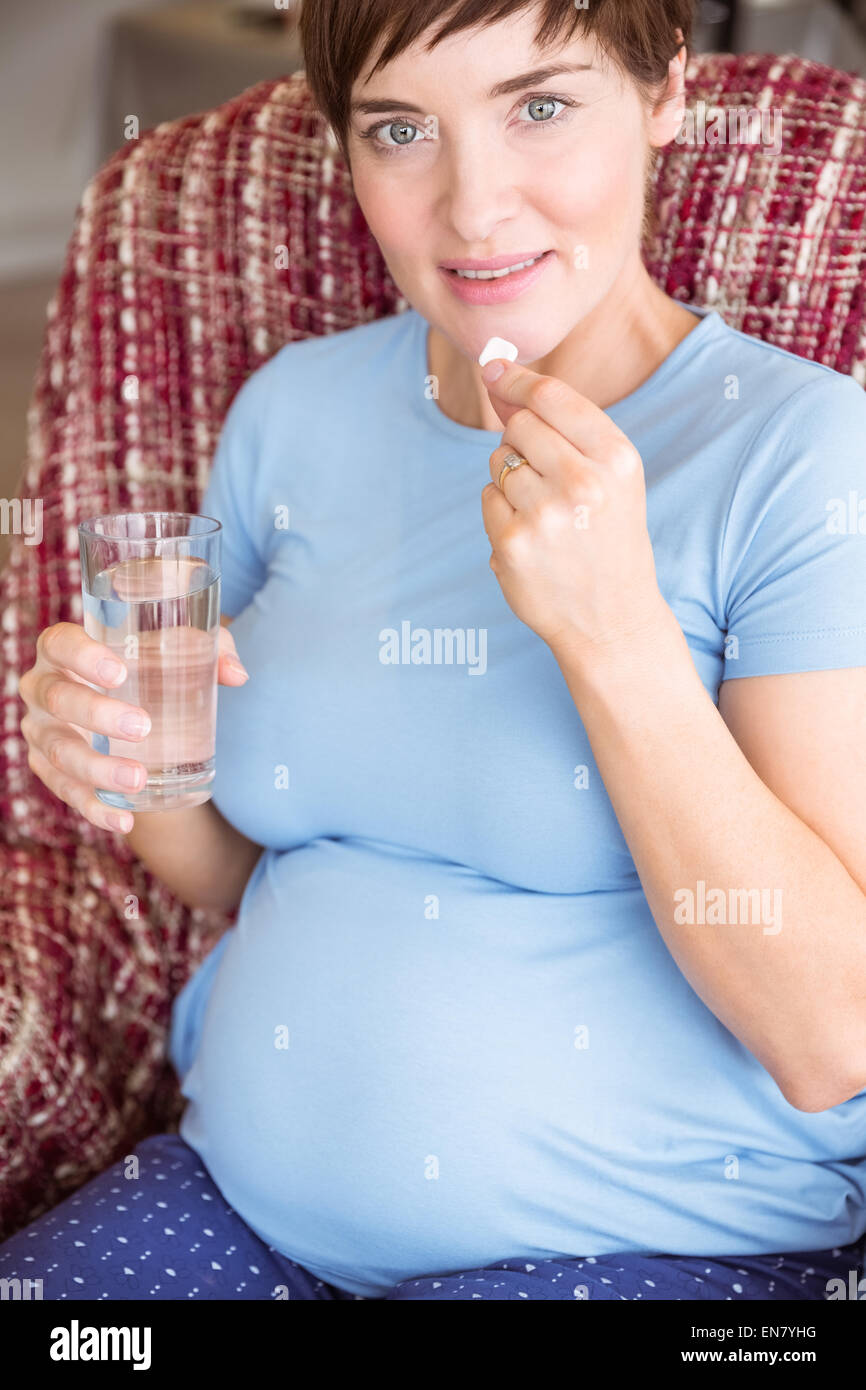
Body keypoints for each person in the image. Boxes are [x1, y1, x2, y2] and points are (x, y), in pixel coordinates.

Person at [7, 0, 866, 1301]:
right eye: (400, 129)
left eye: (538, 107)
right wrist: (129, 766)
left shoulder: (798, 458)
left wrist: (614, 635)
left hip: (646, 1250)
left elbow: (829, 1037)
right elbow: (241, 873)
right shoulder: (292, 412)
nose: (471, 208)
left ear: (662, 95)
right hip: (231, 1207)